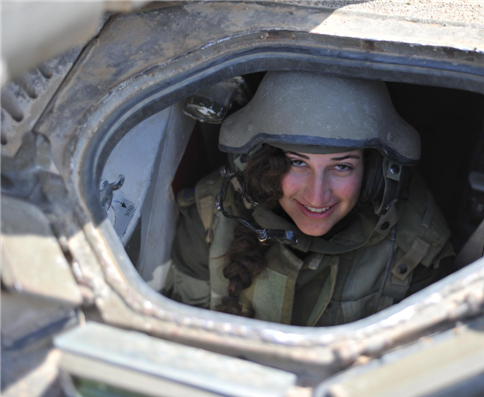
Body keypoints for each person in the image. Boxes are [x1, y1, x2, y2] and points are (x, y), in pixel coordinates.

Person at [163, 71, 454, 326]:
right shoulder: (210, 213)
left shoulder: (418, 242)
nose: (317, 195)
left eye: (342, 166)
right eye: (297, 163)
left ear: (374, 173)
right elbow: (184, 341)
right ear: (264, 161)